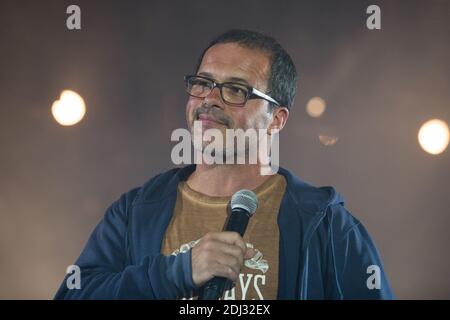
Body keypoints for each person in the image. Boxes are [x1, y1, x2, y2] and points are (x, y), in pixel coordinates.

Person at [55, 29, 394, 300]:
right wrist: (178, 272)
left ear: (276, 120)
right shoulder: (134, 213)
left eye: (236, 90)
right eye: (203, 83)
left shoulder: (327, 225)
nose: (210, 100)